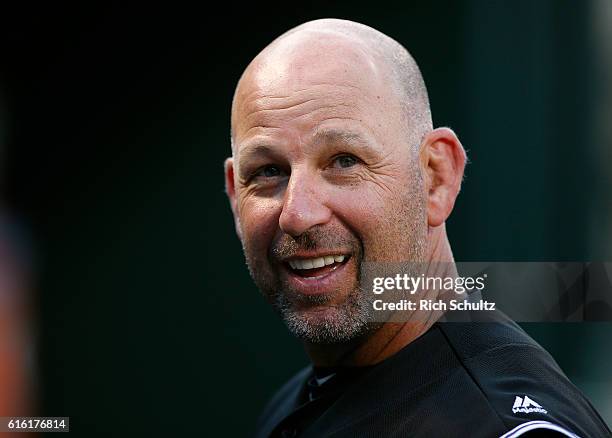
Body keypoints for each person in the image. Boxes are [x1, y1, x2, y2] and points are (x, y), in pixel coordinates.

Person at [224, 18, 611, 437]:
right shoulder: (299, 404)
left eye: (344, 161)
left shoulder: (495, 424)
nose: (297, 214)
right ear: (234, 194)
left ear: (435, 178)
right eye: (267, 171)